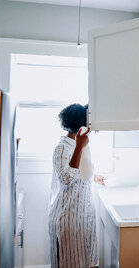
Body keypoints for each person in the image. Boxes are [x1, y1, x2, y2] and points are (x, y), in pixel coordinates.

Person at [48, 104, 105, 268]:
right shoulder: (62, 148)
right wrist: (80, 146)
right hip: (68, 219)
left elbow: (78, 171)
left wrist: (93, 176)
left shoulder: (82, 145)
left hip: (83, 216)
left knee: (86, 262)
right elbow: (65, 178)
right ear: (81, 126)